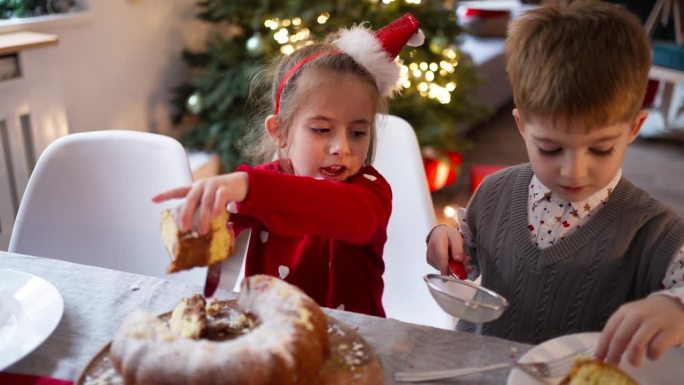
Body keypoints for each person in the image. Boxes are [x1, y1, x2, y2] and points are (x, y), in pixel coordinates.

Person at [426, 0, 684, 368]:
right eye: (550, 148)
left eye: (600, 148)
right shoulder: (495, 192)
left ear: (633, 130)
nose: (573, 172)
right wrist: (446, 241)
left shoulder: (655, 231)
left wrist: (674, 309)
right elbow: (467, 257)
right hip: (481, 371)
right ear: (521, 127)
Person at [153, 14, 424, 317]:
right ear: (280, 132)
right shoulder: (268, 182)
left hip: (353, 336)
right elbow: (228, 224)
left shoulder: (370, 193)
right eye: (322, 130)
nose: (342, 148)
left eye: (358, 132)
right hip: (271, 325)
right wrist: (210, 230)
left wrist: (249, 188)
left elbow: (337, 210)